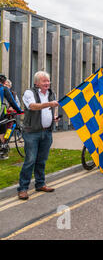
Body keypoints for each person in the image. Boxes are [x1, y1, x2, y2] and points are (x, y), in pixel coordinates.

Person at [17, 71, 59, 200]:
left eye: (48, 81)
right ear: (36, 83)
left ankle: (40, 184)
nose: (47, 83)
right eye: (44, 81)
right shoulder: (29, 93)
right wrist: (49, 104)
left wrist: (54, 117)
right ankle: (23, 188)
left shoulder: (51, 93)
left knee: (42, 160)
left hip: (46, 132)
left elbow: (52, 109)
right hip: (31, 133)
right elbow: (32, 106)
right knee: (30, 160)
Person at [0, 75, 24, 160]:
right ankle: (2, 153)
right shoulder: (4, 89)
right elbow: (12, 102)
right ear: (4, 82)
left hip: (6, 114)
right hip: (1, 114)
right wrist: (19, 110)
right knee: (2, 131)